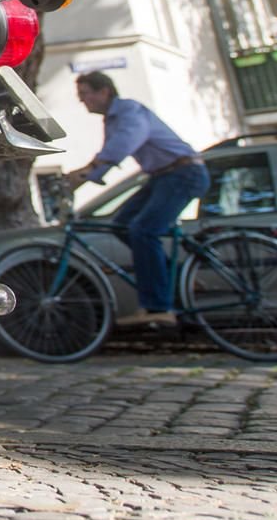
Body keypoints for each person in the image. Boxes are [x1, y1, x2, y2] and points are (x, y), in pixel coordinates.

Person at [61, 72, 210, 328]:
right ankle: (174, 279)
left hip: (183, 173)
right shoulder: (112, 119)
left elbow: (126, 142)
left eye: (85, 94)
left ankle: (158, 307)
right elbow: (109, 157)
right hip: (163, 176)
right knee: (122, 224)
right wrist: (85, 176)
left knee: (143, 230)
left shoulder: (129, 110)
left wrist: (90, 169)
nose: (82, 100)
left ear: (104, 91)